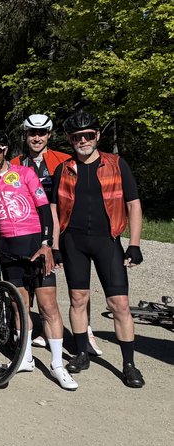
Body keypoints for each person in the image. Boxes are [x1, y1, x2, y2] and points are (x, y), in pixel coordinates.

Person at [0, 128, 76, 390]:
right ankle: (26, 357)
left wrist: (47, 245)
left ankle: (57, 365)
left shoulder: (26, 173)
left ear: (5, 150)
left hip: (35, 245)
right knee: (19, 304)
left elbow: (45, 209)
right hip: (9, 249)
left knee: (48, 306)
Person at [52, 110, 145, 388]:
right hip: (74, 241)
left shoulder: (116, 164)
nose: (83, 141)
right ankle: (81, 353)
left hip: (108, 240)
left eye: (88, 135)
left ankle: (129, 364)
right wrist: (56, 245)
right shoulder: (64, 168)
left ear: (97, 136)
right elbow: (55, 208)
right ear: (70, 140)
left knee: (120, 304)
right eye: (77, 137)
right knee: (78, 299)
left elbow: (133, 204)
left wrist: (135, 244)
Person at [11, 112, 101, 355]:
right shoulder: (16, 163)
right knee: (34, 279)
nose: (37, 138)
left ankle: (86, 331)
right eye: (32, 133)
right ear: (26, 135)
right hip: (28, 228)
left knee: (76, 282)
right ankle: (38, 330)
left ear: (49, 135)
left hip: (63, 227)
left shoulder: (63, 160)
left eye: (41, 133)